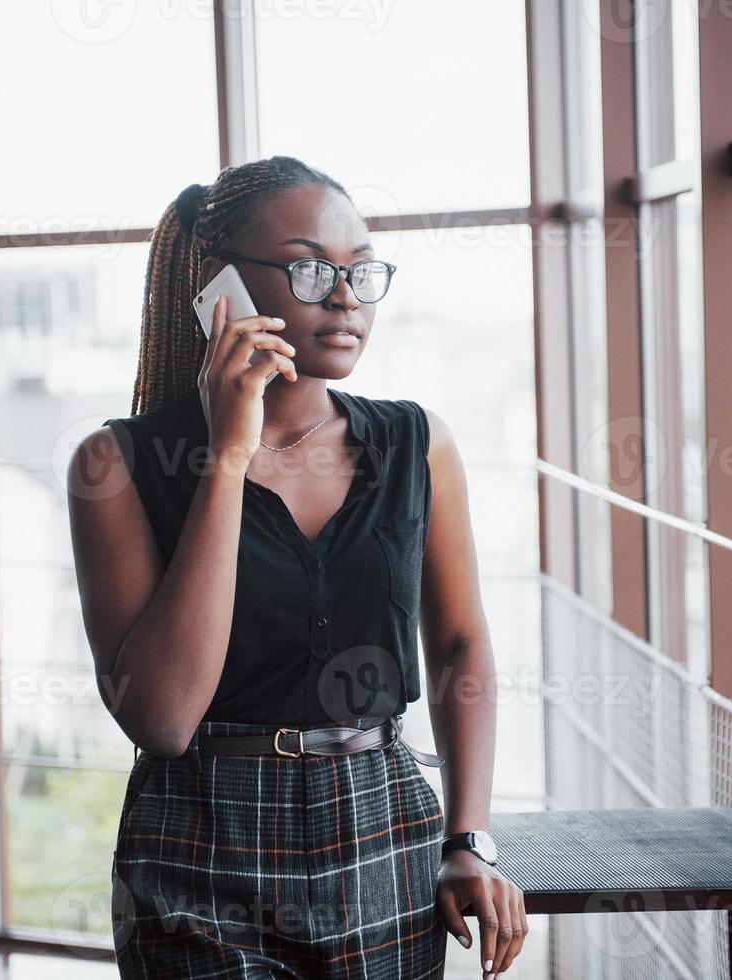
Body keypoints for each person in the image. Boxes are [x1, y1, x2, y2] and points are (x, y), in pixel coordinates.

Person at [66, 155, 528, 979]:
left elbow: (459, 647)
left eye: (360, 271)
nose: (345, 296)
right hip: (198, 843)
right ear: (220, 288)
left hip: (381, 828)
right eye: (311, 268)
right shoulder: (116, 465)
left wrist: (470, 838)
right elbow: (164, 718)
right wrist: (227, 456)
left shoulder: (418, 444)